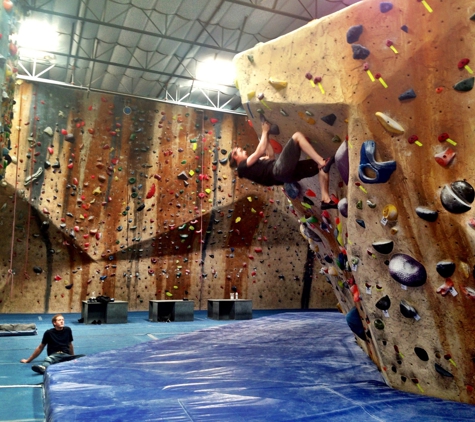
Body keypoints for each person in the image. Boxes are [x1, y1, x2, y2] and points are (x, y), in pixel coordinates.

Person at [228, 119, 337, 210]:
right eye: (240, 151)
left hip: (285, 177)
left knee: (320, 167)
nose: (244, 151)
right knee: (297, 136)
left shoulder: (252, 168)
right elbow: (259, 151)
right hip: (278, 170)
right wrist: (264, 131)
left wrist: (266, 137)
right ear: (235, 156)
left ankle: (325, 199)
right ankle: (321, 161)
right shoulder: (242, 167)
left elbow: (270, 156)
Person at [20, 314, 84, 374]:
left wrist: (73, 357)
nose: (62, 321)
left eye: (63, 320)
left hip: (66, 355)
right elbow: (40, 347)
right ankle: (43, 368)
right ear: (54, 323)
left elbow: (70, 344)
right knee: (48, 359)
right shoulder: (49, 333)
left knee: (83, 356)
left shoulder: (68, 330)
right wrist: (28, 360)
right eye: (59, 320)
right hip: (54, 355)